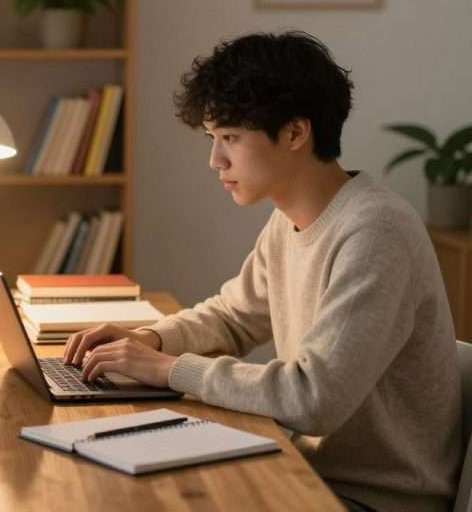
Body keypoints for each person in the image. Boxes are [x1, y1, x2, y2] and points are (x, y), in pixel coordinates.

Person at [63, 31, 461, 512]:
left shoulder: (377, 231)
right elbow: (233, 317)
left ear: (295, 133)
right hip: (308, 471)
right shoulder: (289, 219)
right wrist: (151, 338)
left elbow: (313, 398)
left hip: (370, 500)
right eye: (213, 139)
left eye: (230, 138)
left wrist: (169, 370)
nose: (216, 161)